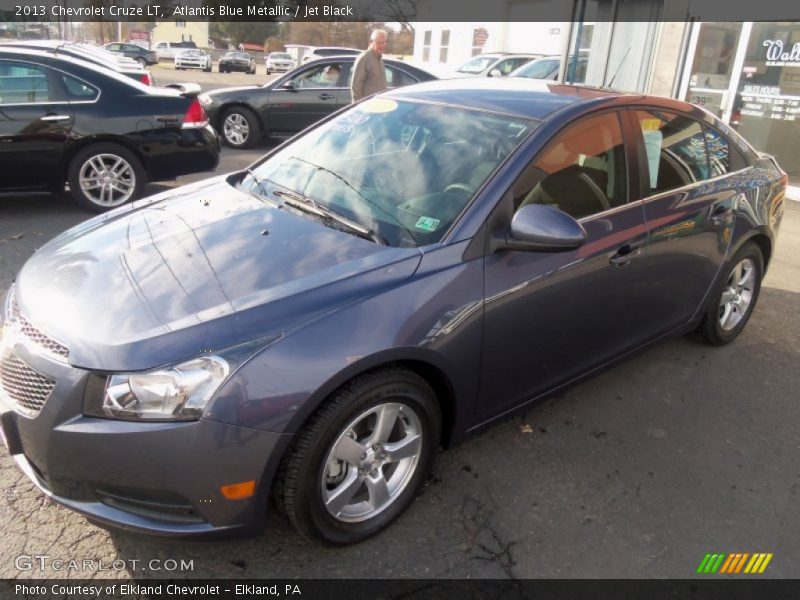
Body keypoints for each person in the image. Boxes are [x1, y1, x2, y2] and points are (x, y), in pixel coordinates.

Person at [351, 29, 388, 102]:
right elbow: (356, 87)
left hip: (379, 104)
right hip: (366, 106)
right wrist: (358, 106)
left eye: (384, 43)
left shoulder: (379, 59)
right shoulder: (364, 58)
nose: (382, 46)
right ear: (371, 42)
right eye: (379, 43)